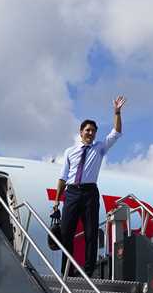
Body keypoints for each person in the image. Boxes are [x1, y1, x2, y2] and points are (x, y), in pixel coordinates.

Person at [54, 96, 126, 276]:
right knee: (66, 234)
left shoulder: (99, 148)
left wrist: (117, 112)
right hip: (71, 192)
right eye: (87, 130)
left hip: (89, 193)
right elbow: (62, 178)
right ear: (81, 132)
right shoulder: (70, 152)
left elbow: (116, 132)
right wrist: (56, 201)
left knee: (91, 233)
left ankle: (88, 270)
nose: (90, 133)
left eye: (93, 131)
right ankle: (67, 270)